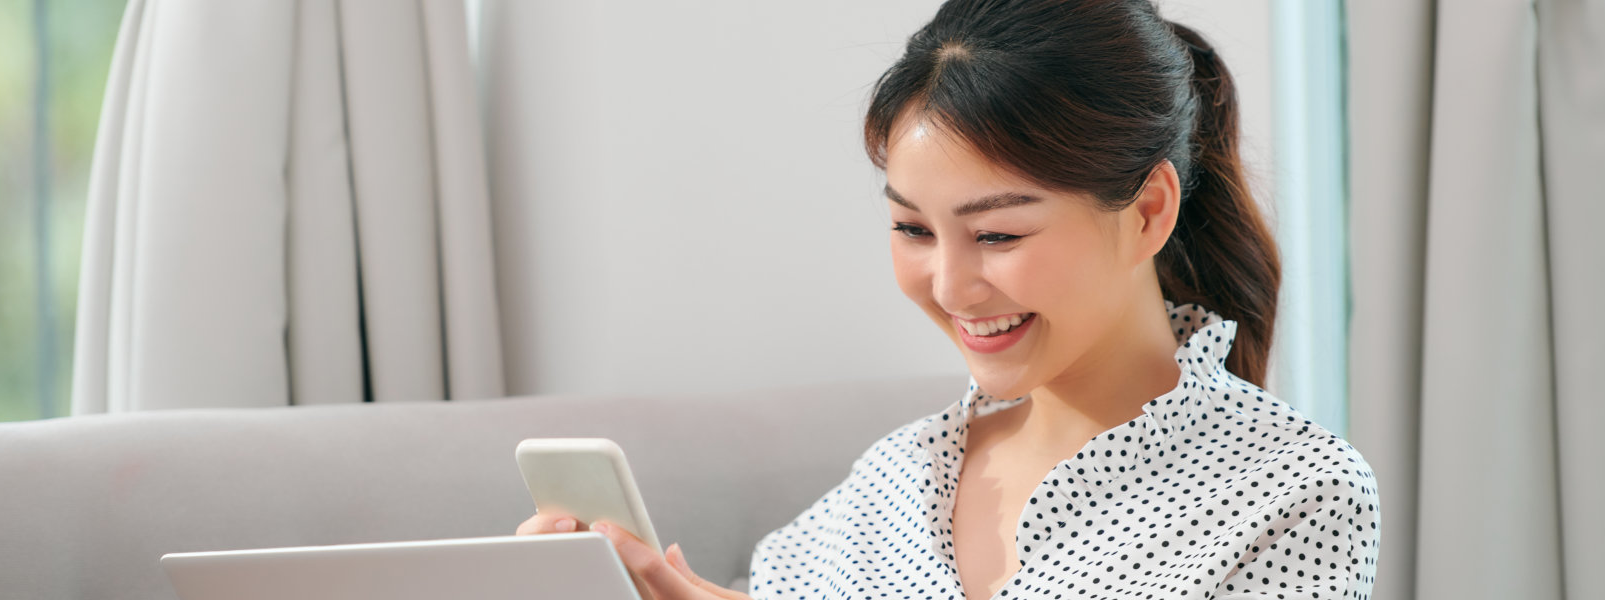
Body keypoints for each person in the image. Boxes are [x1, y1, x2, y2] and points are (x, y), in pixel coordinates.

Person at [515, 0, 1381, 597]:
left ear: (1148, 210)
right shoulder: (894, 481)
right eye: (914, 231)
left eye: (998, 235)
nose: (951, 286)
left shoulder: (1292, 492)